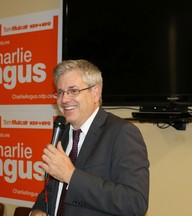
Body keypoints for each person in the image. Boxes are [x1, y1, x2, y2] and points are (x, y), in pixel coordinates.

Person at [31, 59, 149, 216]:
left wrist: (71, 176)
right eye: (60, 92)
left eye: (73, 90)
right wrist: (38, 210)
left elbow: (135, 202)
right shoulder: (65, 133)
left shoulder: (122, 133)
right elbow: (53, 187)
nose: (64, 99)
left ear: (95, 93)